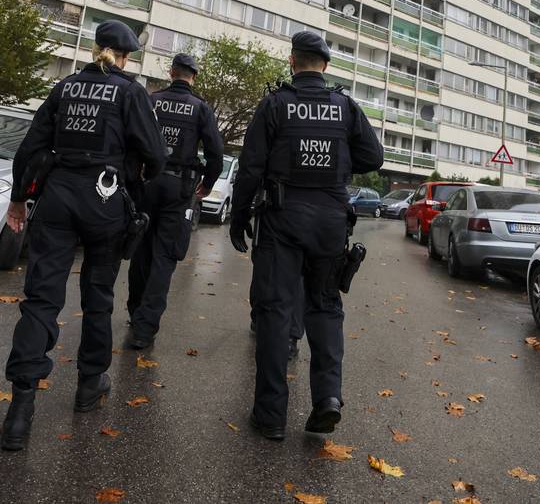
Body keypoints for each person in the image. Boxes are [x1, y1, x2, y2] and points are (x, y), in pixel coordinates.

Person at [0, 20, 167, 451]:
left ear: (95, 49)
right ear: (124, 56)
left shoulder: (66, 86)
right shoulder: (130, 93)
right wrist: (137, 177)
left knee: (41, 298)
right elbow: (156, 154)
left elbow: (30, 147)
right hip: (105, 200)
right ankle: (90, 383)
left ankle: (19, 410)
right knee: (98, 296)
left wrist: (18, 199)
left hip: (57, 197)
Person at [230, 30, 383, 441]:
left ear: (292, 62)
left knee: (275, 312)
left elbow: (250, 166)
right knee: (325, 307)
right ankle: (327, 398)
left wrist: (238, 217)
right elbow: (374, 156)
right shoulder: (345, 106)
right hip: (331, 222)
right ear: (325, 66)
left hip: (282, 219)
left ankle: (270, 416)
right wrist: (339, 161)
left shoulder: (275, 104)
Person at [126, 53, 224, 350]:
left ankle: (135, 311)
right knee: (164, 257)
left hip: (147, 183)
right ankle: (144, 329)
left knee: (141, 250)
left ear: (171, 72)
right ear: (194, 76)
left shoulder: (151, 100)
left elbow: (131, 141)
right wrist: (207, 184)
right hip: (178, 188)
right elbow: (216, 154)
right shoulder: (200, 108)